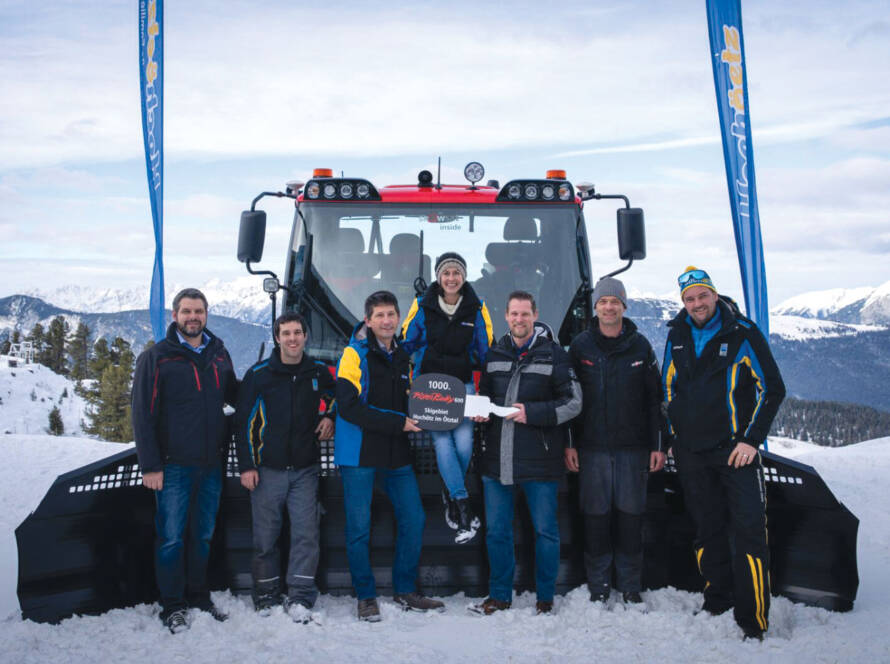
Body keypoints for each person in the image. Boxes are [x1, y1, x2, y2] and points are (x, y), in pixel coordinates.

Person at [663, 266, 785, 640]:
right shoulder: (678, 333)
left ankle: (754, 619)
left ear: (714, 295)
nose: (697, 303)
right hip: (691, 453)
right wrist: (671, 437)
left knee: (749, 533)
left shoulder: (742, 333)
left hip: (736, 453)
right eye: (690, 298)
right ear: (683, 302)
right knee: (707, 529)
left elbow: (773, 389)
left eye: (702, 295)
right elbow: (668, 388)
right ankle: (717, 599)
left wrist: (750, 440)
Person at [334, 290, 445, 621]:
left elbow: (411, 400)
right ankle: (366, 596)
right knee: (358, 528)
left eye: (391, 315)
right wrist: (400, 422)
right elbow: (350, 407)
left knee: (414, 519)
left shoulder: (402, 357)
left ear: (398, 319)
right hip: (359, 454)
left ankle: (405, 589)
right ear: (368, 320)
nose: (386, 321)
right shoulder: (353, 355)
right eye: (379, 315)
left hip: (397, 453)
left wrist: (445, 411)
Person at [132, 288, 237, 633]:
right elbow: (142, 415)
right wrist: (150, 465)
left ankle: (198, 596)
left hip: (210, 463)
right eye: (186, 311)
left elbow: (235, 397)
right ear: (175, 315)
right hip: (173, 465)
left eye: (199, 311)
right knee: (172, 537)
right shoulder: (158, 357)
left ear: (207, 315)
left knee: (203, 535)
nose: (193, 317)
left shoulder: (219, 354)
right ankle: (172, 605)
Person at [470, 291, 582, 615]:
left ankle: (545, 598)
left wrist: (532, 412)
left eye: (525, 314)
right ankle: (499, 595)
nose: (519, 320)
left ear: (535, 315)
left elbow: (574, 403)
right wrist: (481, 411)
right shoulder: (494, 353)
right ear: (506, 316)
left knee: (546, 532)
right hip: (498, 460)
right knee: (498, 533)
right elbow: (486, 395)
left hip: (541, 461)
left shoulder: (555, 355)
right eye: (514, 314)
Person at [565, 277, 665, 606]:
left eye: (615, 301)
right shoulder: (581, 346)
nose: (609, 307)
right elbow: (567, 399)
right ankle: (599, 586)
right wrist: (570, 443)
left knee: (630, 517)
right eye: (603, 301)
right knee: (595, 517)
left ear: (624, 306)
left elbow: (655, 400)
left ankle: (630, 585)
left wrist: (658, 445)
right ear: (595, 307)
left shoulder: (640, 347)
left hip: (632, 449)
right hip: (591, 449)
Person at [235, 312, 336, 623]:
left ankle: (301, 597)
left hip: (305, 469)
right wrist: (248, 465)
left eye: (297, 332)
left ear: (306, 336)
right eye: (286, 333)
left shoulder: (317, 371)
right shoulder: (260, 374)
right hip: (267, 470)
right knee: (266, 537)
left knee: (306, 534)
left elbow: (335, 397)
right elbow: (244, 422)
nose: (292, 338)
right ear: (277, 338)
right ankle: (266, 595)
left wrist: (329, 416)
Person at [401, 252, 494, 543]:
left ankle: (449, 488)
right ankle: (462, 506)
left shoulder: (477, 307)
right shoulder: (421, 305)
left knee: (464, 443)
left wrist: (489, 387)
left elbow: (485, 348)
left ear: (463, 276)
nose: (451, 278)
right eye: (446, 273)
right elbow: (408, 340)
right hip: (429, 384)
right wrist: (397, 369)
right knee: (443, 440)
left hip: (463, 383)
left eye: (456, 272)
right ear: (438, 277)